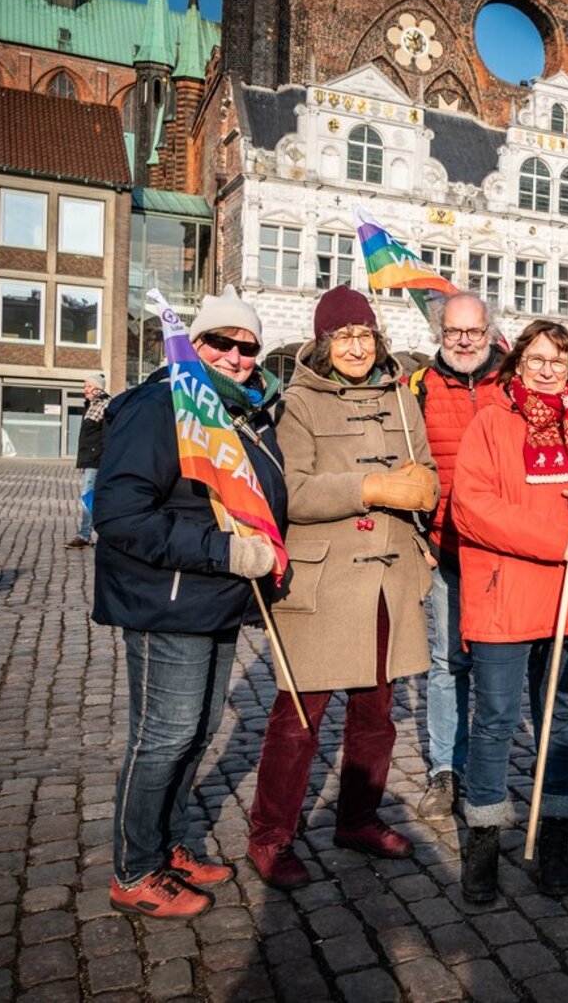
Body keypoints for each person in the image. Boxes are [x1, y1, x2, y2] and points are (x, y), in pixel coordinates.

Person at [92, 285, 286, 918]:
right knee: (163, 735)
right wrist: (224, 550)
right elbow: (121, 515)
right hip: (166, 600)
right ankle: (134, 869)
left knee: (196, 733)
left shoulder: (242, 413)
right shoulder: (159, 405)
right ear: (195, 343)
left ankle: (166, 843)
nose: (235, 355)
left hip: (217, 601)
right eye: (221, 342)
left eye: (247, 346)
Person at [245, 286, 439, 889]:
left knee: (377, 714)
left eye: (364, 335)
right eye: (343, 337)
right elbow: (292, 494)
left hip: (388, 579)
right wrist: (372, 488)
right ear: (324, 345)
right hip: (324, 583)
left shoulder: (401, 399)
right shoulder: (298, 404)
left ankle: (357, 818)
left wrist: (424, 488)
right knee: (299, 718)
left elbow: (425, 469)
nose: (356, 347)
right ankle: (270, 836)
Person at [451, 319, 568, 901]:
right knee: (493, 722)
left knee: (562, 723)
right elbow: (473, 508)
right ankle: (484, 840)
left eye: (557, 362)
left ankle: (554, 837)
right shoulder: (491, 421)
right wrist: (551, 537)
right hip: (504, 597)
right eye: (536, 359)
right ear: (516, 364)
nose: (545, 370)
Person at [409, 292, 506, 820]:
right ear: (439, 334)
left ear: (490, 332)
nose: (464, 341)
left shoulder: (513, 385)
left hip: (502, 553)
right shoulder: (419, 388)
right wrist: (418, 536)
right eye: (453, 332)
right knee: (448, 663)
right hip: (446, 549)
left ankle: (493, 769)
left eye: (473, 331)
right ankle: (446, 768)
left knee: (500, 664)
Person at [67, 373, 109, 549]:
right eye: (85, 386)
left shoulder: (105, 405)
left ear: (97, 387)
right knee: (92, 496)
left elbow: (106, 436)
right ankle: (94, 533)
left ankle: (85, 534)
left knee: (88, 496)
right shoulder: (91, 405)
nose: (85, 389)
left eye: (88, 386)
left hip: (96, 460)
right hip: (89, 460)